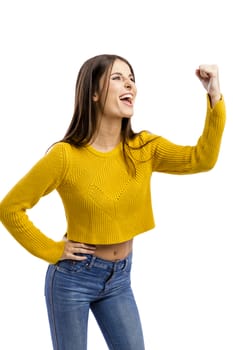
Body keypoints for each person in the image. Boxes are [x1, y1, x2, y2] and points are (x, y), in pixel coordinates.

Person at [0, 54, 226, 350]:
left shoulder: (144, 148)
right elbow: (10, 208)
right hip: (73, 279)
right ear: (93, 93)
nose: (129, 83)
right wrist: (52, 250)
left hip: (120, 279)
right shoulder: (64, 157)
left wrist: (214, 94)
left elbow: (202, 159)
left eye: (132, 78)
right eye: (117, 77)